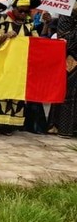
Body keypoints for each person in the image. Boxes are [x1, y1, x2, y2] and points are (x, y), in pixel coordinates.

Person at [0, 0, 40, 136]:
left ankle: (8, 125)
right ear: (14, 8)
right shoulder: (3, 19)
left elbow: (37, 42)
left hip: (20, 66)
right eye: (21, 11)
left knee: (16, 93)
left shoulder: (29, 23)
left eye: (26, 12)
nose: (23, 14)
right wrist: (6, 36)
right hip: (3, 62)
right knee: (0, 91)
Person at [48, 8, 77, 138]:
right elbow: (65, 40)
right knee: (68, 94)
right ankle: (62, 128)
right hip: (72, 60)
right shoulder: (67, 13)